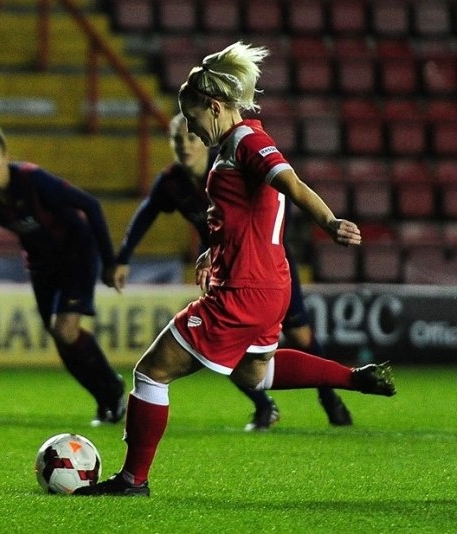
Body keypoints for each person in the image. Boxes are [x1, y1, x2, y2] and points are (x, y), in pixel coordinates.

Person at [75, 41, 396, 497]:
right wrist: (216, 251)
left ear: (214, 106)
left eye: (192, 120)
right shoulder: (234, 143)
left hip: (244, 291)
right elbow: (247, 212)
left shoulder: (247, 140)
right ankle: (351, 378)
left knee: (151, 372)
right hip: (267, 286)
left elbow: (290, 182)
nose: (192, 130)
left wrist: (328, 221)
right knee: (254, 375)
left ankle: (132, 480)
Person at [114, 113, 352, 431]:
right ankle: (265, 407)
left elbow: (281, 194)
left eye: (190, 137)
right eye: (177, 140)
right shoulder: (171, 181)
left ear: (202, 139)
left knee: (300, 336)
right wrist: (123, 258)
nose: (185, 145)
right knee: (223, 339)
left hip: (265, 261)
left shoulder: (230, 160)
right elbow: (146, 215)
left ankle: (329, 398)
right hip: (224, 266)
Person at [0, 120, 125, 426]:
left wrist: (110, 262)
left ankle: (112, 388)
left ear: (6, 156)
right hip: (41, 265)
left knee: (65, 330)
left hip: (76, 253)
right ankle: (106, 399)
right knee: (60, 339)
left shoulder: (33, 179)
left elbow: (91, 205)